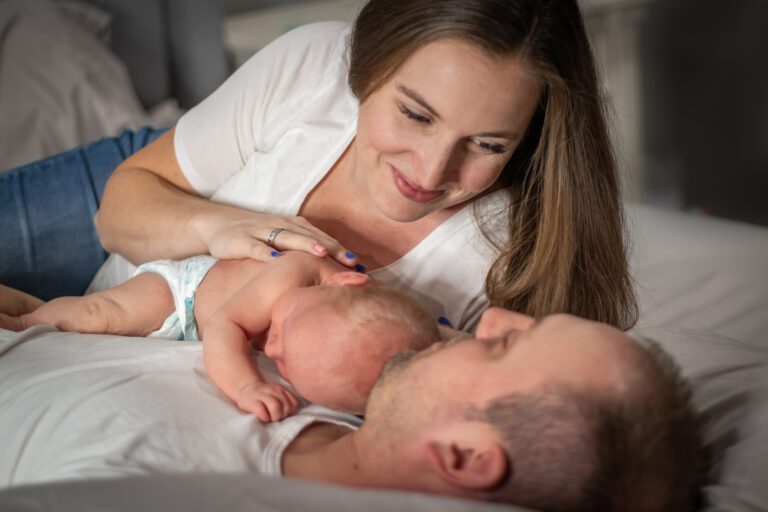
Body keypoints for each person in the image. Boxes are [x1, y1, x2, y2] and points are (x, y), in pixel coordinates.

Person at [70, 0, 637, 333]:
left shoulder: (507, 264)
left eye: (487, 145)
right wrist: (218, 226)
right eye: (416, 115)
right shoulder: (313, 66)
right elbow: (116, 211)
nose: (431, 170)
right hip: (129, 193)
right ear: (363, 68)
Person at [0, 307, 705, 511]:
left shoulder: (127, 485)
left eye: (502, 348)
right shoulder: (332, 402)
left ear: (463, 455)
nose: (489, 315)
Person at [0, 250, 440, 421]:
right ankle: (20, 324)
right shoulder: (296, 272)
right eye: (284, 328)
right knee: (96, 314)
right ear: (340, 284)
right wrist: (247, 385)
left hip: (190, 327)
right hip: (184, 297)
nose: (272, 346)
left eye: (284, 360)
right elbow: (226, 328)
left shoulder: (349, 334)